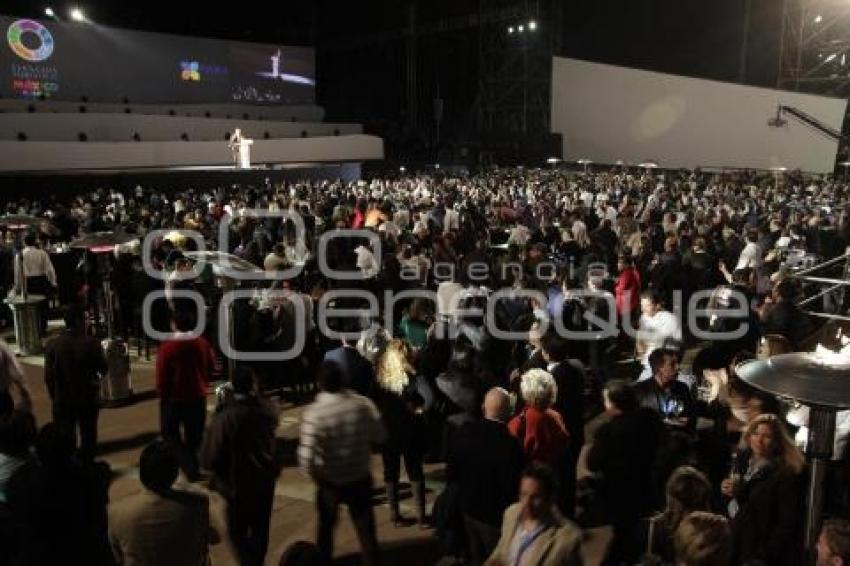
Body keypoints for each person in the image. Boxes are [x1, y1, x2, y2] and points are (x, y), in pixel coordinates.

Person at [298, 362, 385, 566]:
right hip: (360, 478)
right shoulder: (362, 404)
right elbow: (380, 435)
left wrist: (316, 474)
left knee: (326, 534)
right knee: (367, 535)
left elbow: (305, 458)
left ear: (320, 383)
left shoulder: (315, 413)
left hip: (330, 482)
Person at [201, 367, 280, 566]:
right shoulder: (267, 411)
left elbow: (209, 457)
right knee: (260, 530)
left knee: (237, 532)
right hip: (263, 483)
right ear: (253, 386)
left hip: (236, 487)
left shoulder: (225, 417)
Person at [446, 387, 523, 566]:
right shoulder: (510, 445)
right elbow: (513, 488)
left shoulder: (464, 432)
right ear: (509, 412)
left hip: (467, 511)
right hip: (494, 519)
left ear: (483, 408)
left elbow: (452, 473)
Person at [109, 440, 213, 566]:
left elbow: (117, 557)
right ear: (174, 475)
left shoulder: (116, 511)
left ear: (142, 475)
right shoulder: (197, 505)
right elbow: (209, 539)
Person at [720, 413, 806, 566]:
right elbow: (734, 500)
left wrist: (763, 554)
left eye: (767, 436)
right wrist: (726, 490)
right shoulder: (742, 460)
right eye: (756, 433)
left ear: (777, 443)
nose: (759, 440)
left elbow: (787, 522)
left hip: (756, 548)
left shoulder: (783, 474)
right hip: (733, 537)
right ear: (749, 435)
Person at [374, 339, 433, 527]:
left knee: (390, 473)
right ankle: (422, 517)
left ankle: (394, 515)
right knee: (415, 472)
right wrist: (419, 411)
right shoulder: (412, 377)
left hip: (388, 431)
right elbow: (429, 398)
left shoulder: (379, 379)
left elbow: (371, 402)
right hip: (410, 431)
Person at [155, 309, 216, 481]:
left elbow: (162, 375)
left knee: (170, 434)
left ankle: (189, 466)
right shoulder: (202, 343)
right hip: (197, 395)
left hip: (174, 398)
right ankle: (194, 466)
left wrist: (162, 395)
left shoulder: (167, 347)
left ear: (174, 324)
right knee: (195, 435)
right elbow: (211, 366)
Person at [484, 463, 583, 566]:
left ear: (551, 498)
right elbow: (500, 551)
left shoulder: (569, 538)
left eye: (535, 497)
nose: (526, 503)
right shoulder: (511, 514)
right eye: (523, 494)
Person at [44, 304, 107, 461]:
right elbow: (103, 369)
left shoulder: (53, 344)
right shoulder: (91, 343)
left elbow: (48, 377)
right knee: (88, 436)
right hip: (86, 398)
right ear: (79, 322)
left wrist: (54, 396)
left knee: (65, 438)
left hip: (62, 399)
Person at [632, 348, 696, 432]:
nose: (678, 367)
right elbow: (636, 423)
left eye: (678, 363)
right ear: (659, 368)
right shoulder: (640, 391)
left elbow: (689, 416)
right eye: (672, 364)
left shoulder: (682, 388)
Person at [18, 233, 57, 336]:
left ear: (24, 242)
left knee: (30, 306)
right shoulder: (41, 253)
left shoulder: (20, 254)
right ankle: (43, 329)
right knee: (43, 307)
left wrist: (18, 285)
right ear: (35, 241)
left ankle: (33, 329)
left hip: (28, 282)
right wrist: (53, 282)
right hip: (41, 280)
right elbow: (49, 269)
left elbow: (18, 272)